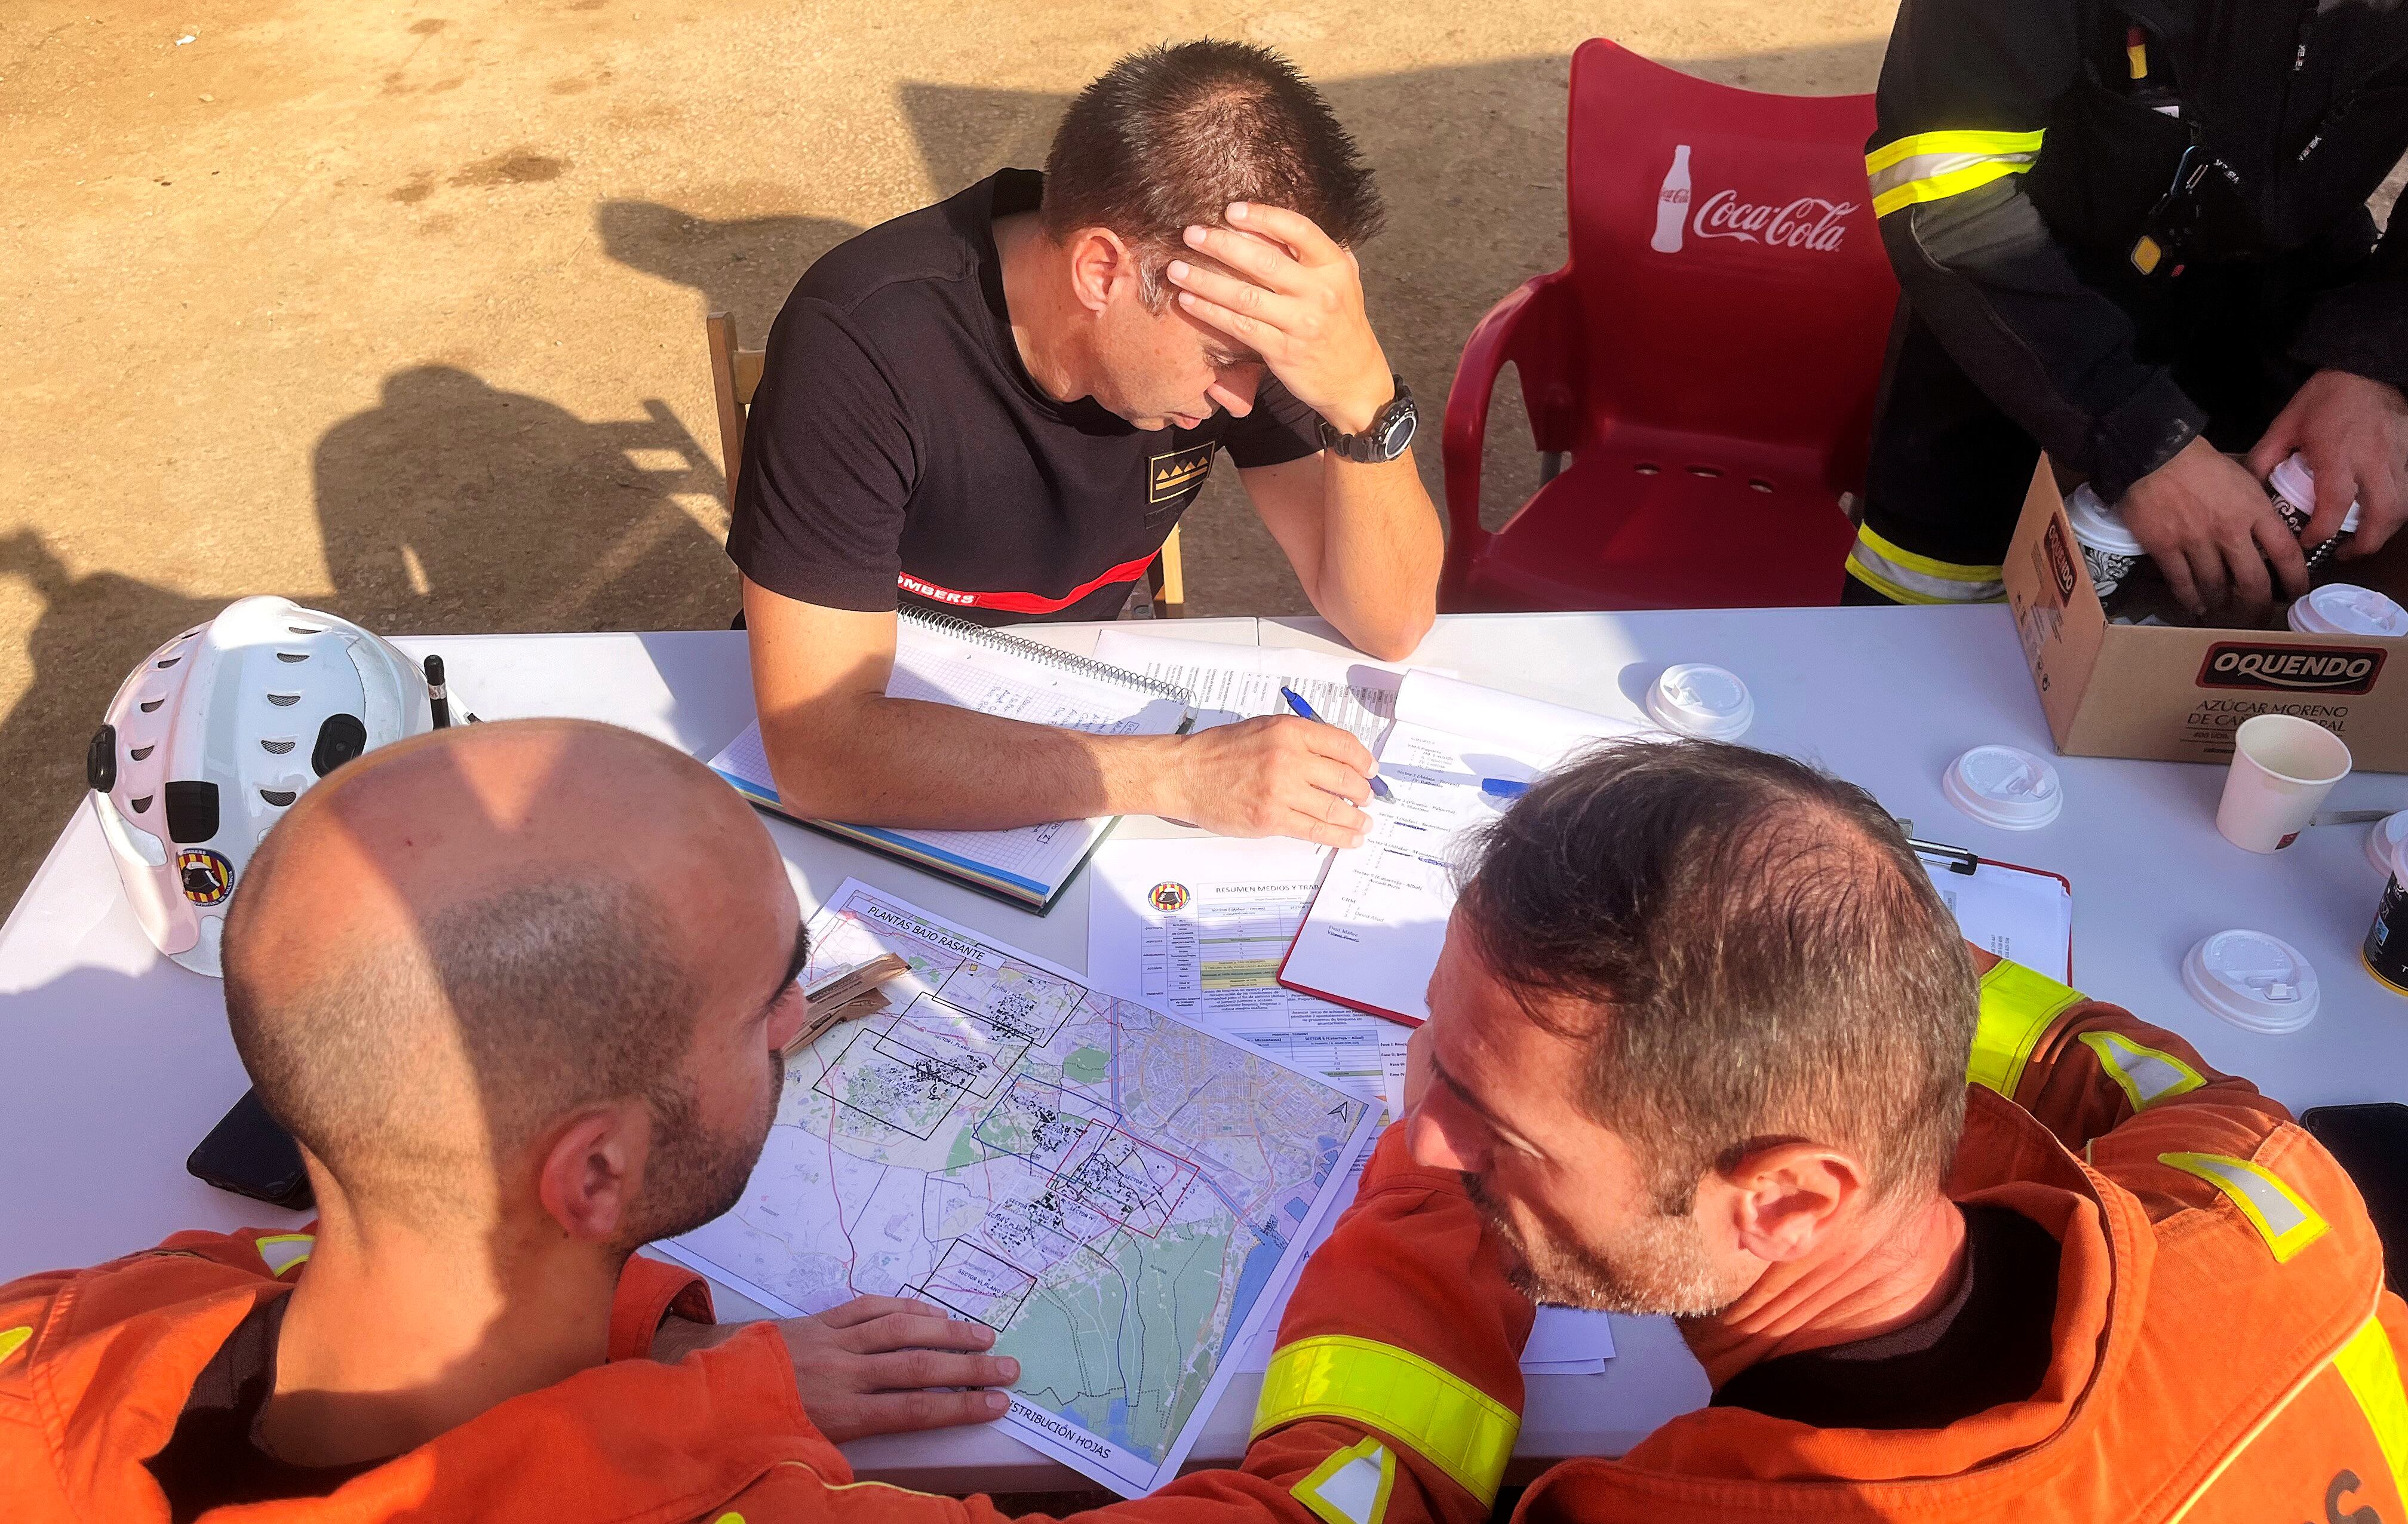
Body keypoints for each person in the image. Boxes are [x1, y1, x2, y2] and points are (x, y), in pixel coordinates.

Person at [0, 718, 1519, 1524]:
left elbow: (267, 1298)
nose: (810, 1014)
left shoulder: (64, 1342)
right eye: (776, 995)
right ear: (594, 1168)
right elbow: (1322, 1507)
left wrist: (688, 1377)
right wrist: (1450, 1175)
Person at [1366, 740, 2404, 1519]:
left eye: (1498, 1129)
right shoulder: (2252, 1189)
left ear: (1788, 1199)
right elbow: (2142, 1077)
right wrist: (1860, 973)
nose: (1428, 1133)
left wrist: (1421, 1206)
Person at [730, 41, 1440, 853]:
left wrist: (1364, 401)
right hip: (879, 745)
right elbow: (822, 754)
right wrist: (1175, 777)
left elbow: (1389, 623)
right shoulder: (860, 342)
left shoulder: (1234, 309)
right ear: (1101, 272)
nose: (1243, 399)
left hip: (1061, 710)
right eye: (1224, 362)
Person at [1843, 0, 2408, 619]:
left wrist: (2374, 360)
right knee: (1922, 672)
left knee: (2235, 691)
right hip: (2016, 349)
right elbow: (1947, 192)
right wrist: (2139, 437)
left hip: (2299, 376)